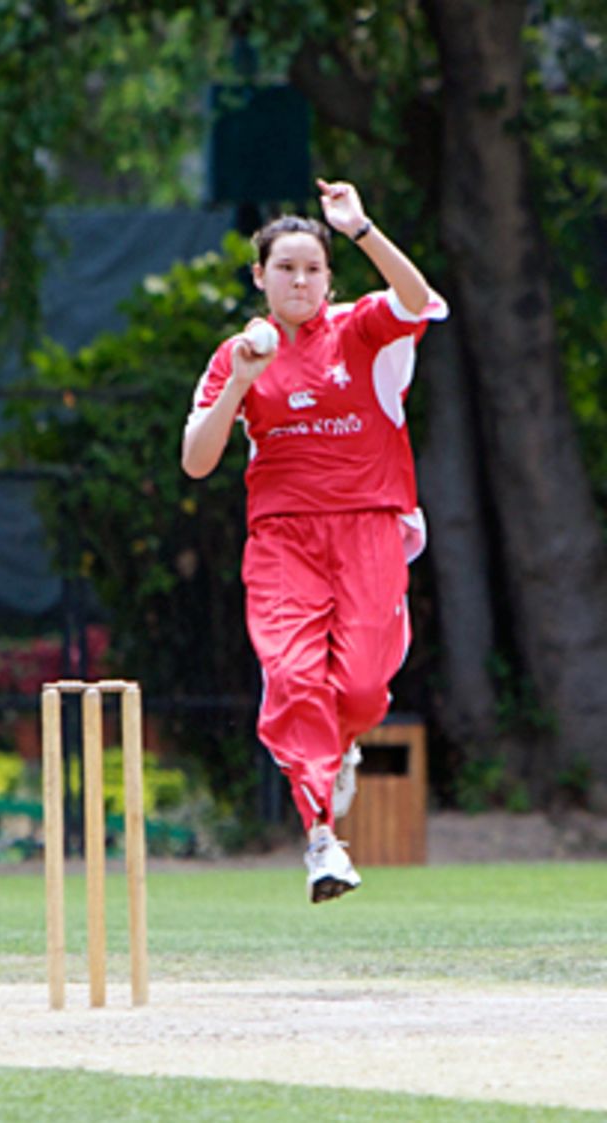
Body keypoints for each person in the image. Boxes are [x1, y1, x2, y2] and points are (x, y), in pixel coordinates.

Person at [181, 179, 447, 903]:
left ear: (329, 279)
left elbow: (418, 300)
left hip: (370, 525)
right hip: (283, 541)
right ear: (259, 276)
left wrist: (360, 227)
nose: (299, 280)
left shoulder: (361, 328)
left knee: (361, 686)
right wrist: (241, 379)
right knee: (294, 680)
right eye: (285, 268)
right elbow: (197, 460)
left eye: (312, 268)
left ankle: (342, 748)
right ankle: (322, 838)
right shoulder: (238, 353)